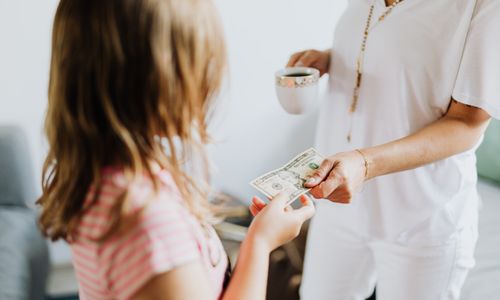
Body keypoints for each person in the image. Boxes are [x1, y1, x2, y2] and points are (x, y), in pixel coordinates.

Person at [37, 0, 315, 299]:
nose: (208, 81)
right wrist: (259, 243)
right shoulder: (144, 217)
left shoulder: (104, 171)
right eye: (199, 64)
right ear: (155, 79)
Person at [286, 0, 500, 299]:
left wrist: (364, 163)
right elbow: (400, 48)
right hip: (340, 205)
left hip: (422, 216)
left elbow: (467, 123)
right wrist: (331, 58)